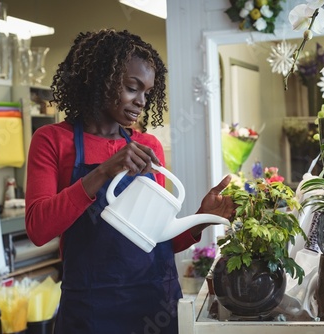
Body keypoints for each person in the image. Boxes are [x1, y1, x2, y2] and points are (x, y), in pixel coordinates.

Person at [25, 29, 235, 334]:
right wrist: (102, 172)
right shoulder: (53, 141)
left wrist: (202, 218)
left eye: (147, 93)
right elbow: (38, 228)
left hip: (156, 303)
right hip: (91, 308)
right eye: (132, 88)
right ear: (100, 79)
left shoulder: (148, 146)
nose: (141, 102)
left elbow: (155, 239)